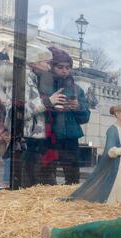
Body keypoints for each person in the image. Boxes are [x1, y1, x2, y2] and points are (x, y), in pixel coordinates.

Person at [0, 45, 56, 188]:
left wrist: (51, 104)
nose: (49, 66)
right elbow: (16, 112)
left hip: (33, 141)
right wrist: (48, 102)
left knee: (34, 187)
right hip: (26, 142)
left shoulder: (33, 79)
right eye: (46, 62)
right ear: (34, 62)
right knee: (28, 187)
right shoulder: (22, 80)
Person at [68, 105, 121, 204]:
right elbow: (111, 152)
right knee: (118, 184)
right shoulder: (112, 130)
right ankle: (114, 203)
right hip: (118, 164)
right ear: (117, 114)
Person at [39, 47, 91, 185]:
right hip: (48, 137)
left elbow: (85, 117)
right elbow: (36, 110)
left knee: (73, 179)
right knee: (47, 178)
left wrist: (78, 107)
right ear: (52, 66)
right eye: (60, 67)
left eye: (68, 67)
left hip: (70, 139)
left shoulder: (77, 89)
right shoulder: (43, 84)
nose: (64, 71)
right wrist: (51, 105)